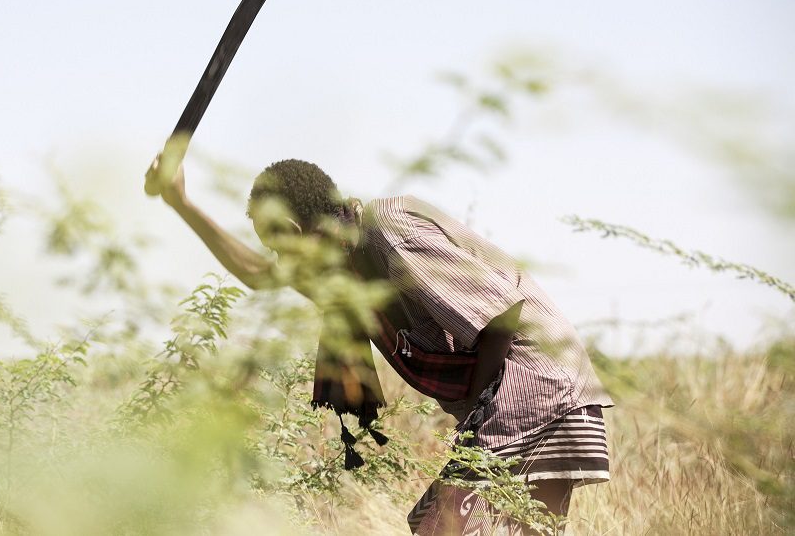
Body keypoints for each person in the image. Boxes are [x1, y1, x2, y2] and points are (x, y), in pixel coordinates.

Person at [146, 156, 613, 535]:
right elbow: (256, 275)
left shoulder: (388, 231)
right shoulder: (345, 268)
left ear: (292, 230)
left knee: (445, 529)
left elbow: (499, 317)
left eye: (276, 245)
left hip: (536, 386)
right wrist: (181, 202)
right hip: (542, 391)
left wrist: (475, 426)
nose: (277, 260)